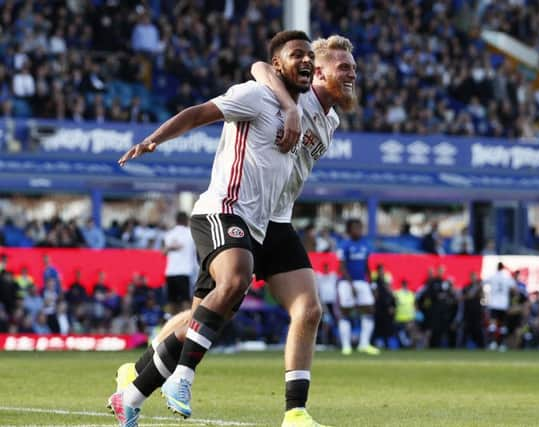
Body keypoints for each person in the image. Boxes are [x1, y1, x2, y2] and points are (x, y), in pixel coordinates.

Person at [114, 33, 357, 427]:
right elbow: (260, 68)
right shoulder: (275, 93)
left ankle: (295, 413)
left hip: (274, 222)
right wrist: (154, 139)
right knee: (221, 296)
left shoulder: (330, 120)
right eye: (342, 67)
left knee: (307, 309)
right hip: (230, 211)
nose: (351, 74)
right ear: (318, 70)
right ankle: (167, 376)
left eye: (353, 68)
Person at [336, 218, 380, 355]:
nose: (359, 231)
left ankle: (364, 344)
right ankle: (346, 346)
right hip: (346, 282)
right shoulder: (344, 245)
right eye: (356, 228)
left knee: (369, 310)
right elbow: (342, 266)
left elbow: (367, 266)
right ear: (349, 230)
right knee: (345, 311)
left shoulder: (365, 245)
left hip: (362, 282)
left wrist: (372, 283)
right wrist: (350, 284)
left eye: (360, 228)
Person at [162, 212, 197, 314]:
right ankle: (186, 324)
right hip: (186, 271)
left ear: (176, 221)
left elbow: (163, 252)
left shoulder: (169, 234)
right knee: (186, 300)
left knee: (171, 301)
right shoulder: (191, 233)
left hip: (170, 272)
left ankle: (172, 323)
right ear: (186, 220)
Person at [485, 262, 516, 351]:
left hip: (494, 304)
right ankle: (501, 344)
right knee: (502, 326)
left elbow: (483, 282)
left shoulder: (493, 276)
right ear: (503, 268)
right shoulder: (507, 277)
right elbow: (514, 289)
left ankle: (492, 343)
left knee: (492, 325)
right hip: (503, 304)